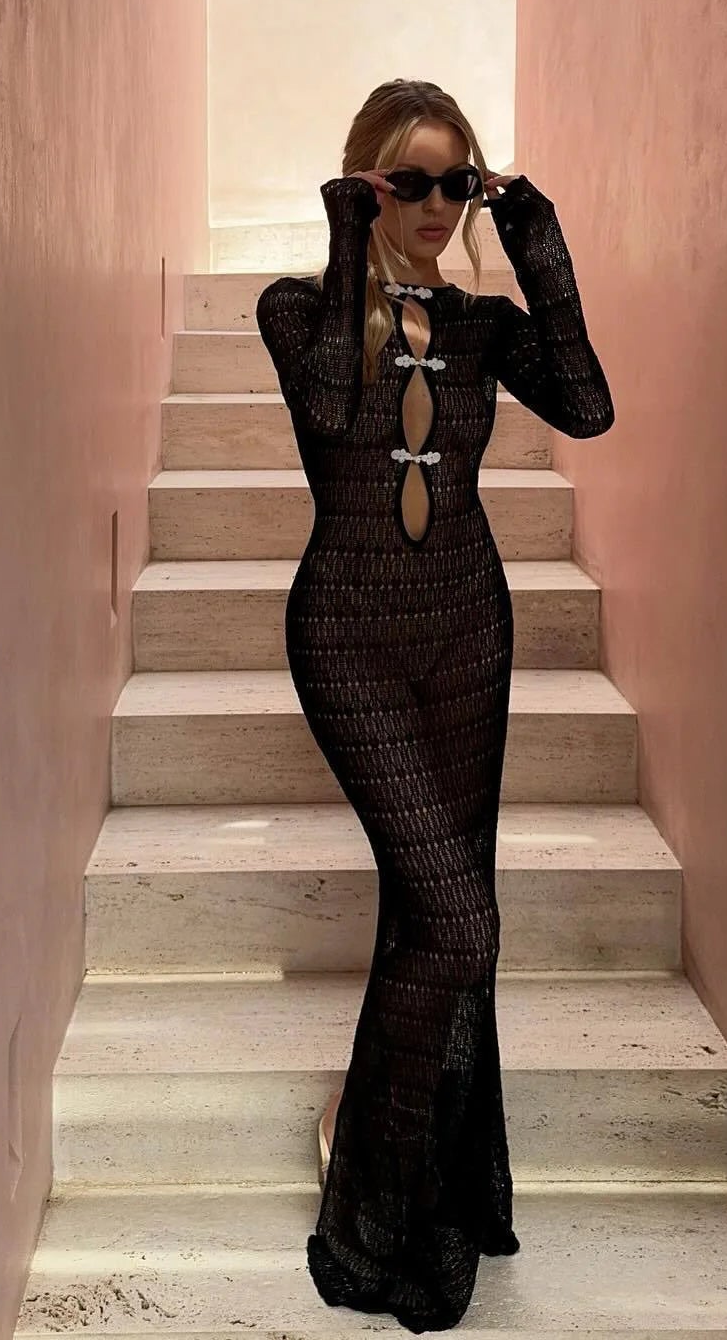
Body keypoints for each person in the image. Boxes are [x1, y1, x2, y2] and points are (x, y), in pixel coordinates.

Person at [254, 78, 615, 1332]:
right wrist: (349, 239)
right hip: (350, 640)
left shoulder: (480, 326)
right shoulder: (299, 311)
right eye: (408, 181)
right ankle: (375, 1197)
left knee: (440, 920)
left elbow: (588, 406)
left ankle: (416, 1163)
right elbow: (331, 410)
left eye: (454, 182)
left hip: (467, 633)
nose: (434, 205)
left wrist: (537, 246)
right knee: (460, 928)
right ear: (367, 183)